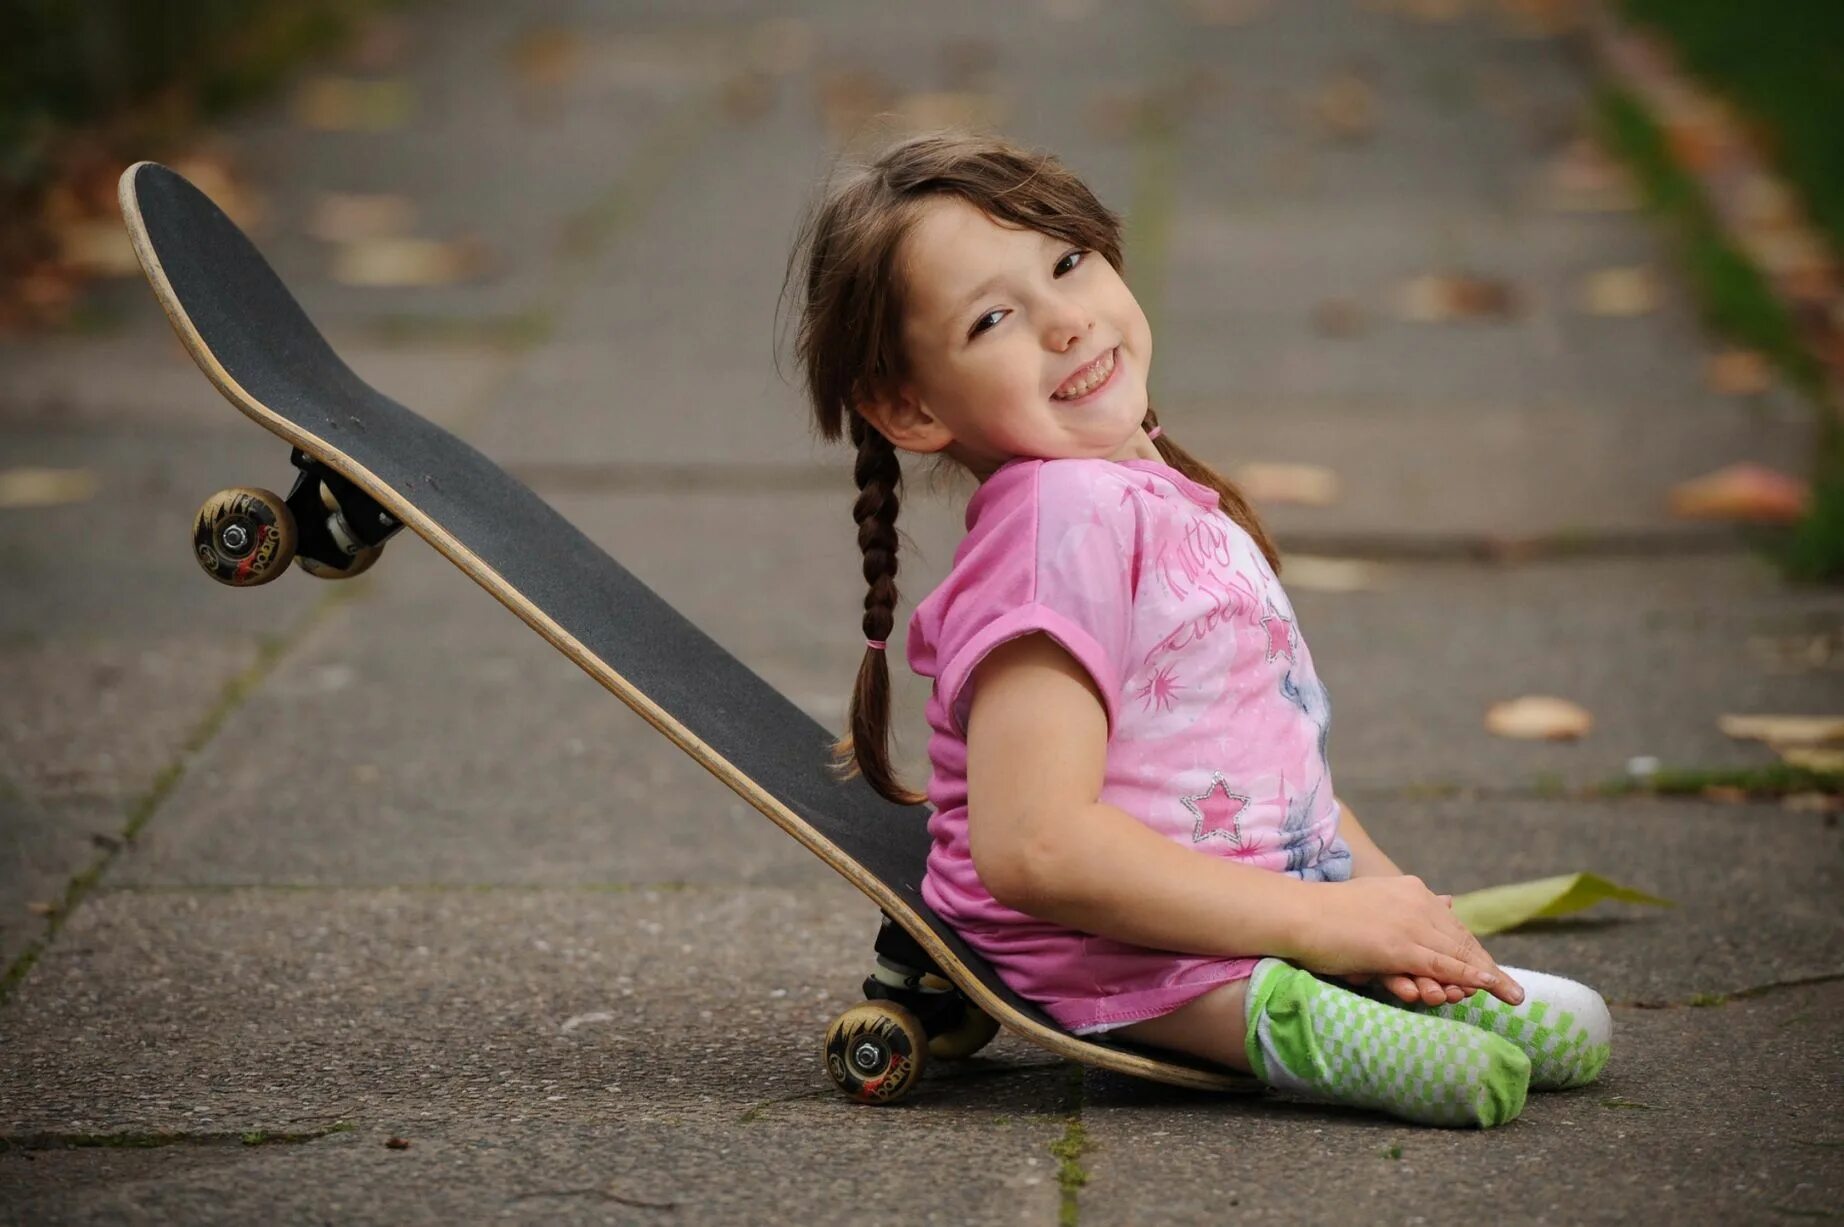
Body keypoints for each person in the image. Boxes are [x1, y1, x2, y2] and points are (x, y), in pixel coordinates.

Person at [785, 131, 1610, 1128]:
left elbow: (1272, 768)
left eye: (1066, 262)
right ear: (908, 406)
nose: (1062, 322)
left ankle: (1317, 981)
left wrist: (1392, 909)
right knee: (1483, 1077)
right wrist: (1322, 924)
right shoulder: (1056, 527)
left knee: (1577, 1029)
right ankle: (1291, 1016)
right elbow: (1034, 848)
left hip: (1254, 907)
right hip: (1116, 946)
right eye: (994, 317)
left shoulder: (1143, 494)